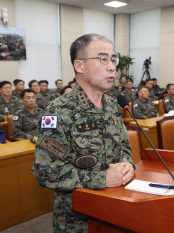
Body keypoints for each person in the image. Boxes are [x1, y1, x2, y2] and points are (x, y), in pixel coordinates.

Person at [32, 33, 135, 232]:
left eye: (113, 59)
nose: (112, 66)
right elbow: (47, 172)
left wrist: (127, 165)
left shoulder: (113, 106)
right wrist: (103, 179)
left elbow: (125, 148)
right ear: (80, 66)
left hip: (115, 209)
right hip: (78, 221)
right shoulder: (58, 112)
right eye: (103, 59)